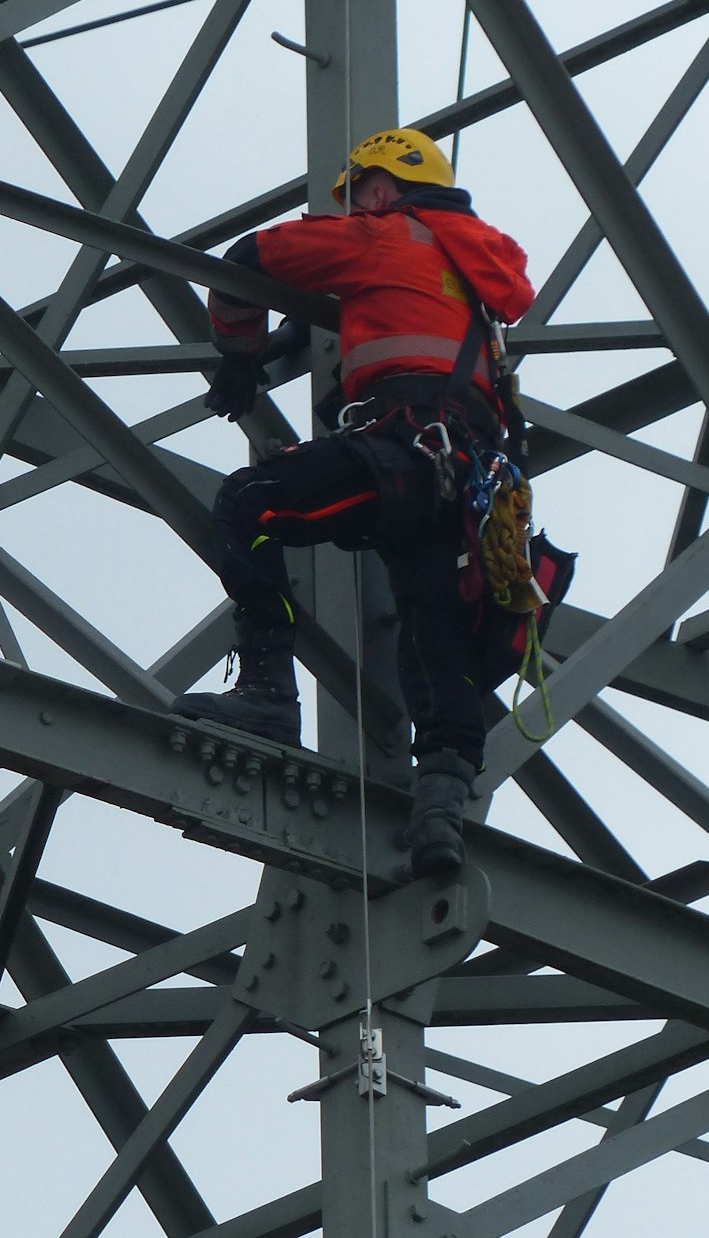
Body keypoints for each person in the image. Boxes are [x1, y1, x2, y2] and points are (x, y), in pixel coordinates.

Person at [173, 126, 536, 878]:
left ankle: (270, 687)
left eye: (361, 189)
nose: (357, 203)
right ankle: (440, 811)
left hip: (401, 454)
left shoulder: (381, 238)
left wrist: (239, 356)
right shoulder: (477, 278)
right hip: (471, 491)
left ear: (387, 187)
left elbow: (247, 263)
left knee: (249, 506)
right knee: (438, 640)